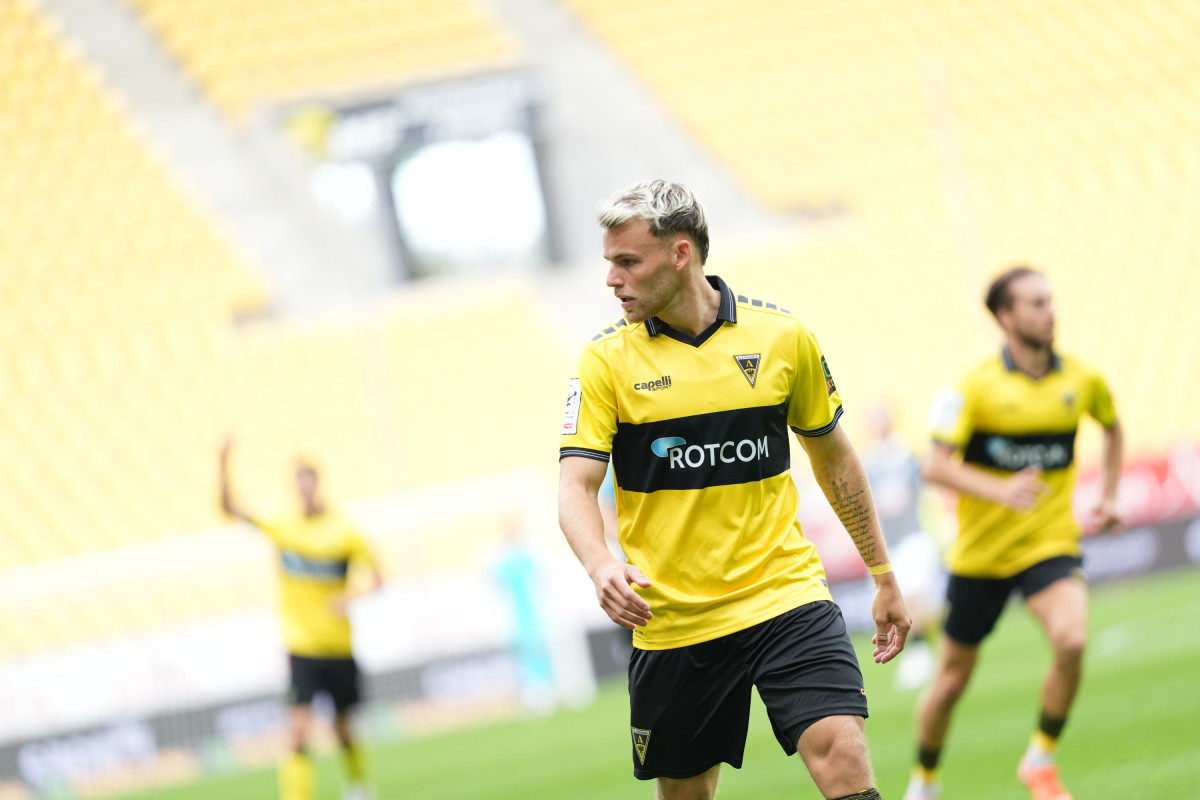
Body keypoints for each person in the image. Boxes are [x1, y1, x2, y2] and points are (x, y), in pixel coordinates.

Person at [557, 179, 911, 800]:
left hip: (785, 594)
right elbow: (575, 488)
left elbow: (835, 459)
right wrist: (600, 563)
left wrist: (882, 573)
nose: (611, 279)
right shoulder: (605, 361)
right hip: (673, 619)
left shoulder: (782, 337)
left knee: (844, 754)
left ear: (680, 253)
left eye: (628, 261)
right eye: (609, 262)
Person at [903, 266, 1123, 800]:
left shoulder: (1083, 380)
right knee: (950, 683)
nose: (1051, 312)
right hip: (980, 557)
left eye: (1050, 301)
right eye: (1036, 303)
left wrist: (1109, 495)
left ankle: (1040, 760)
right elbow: (934, 466)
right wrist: (1000, 489)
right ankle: (924, 781)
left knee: (1072, 639)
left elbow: (1113, 427)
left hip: (1048, 543)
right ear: (1006, 317)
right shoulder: (973, 387)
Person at [219, 438, 383, 800]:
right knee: (297, 731)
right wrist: (222, 464)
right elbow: (230, 508)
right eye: (299, 480)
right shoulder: (284, 527)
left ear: (317, 482)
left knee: (342, 729)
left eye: (309, 479)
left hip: (338, 645)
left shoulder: (344, 531)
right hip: (301, 646)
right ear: (294, 485)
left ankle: (359, 787)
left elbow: (379, 579)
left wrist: (349, 596)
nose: (304, 486)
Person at [859, 403, 946, 691]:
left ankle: (919, 652)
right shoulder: (867, 459)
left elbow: (918, 492)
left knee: (913, 596)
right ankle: (922, 650)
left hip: (912, 536)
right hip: (888, 543)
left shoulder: (906, 453)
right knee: (905, 601)